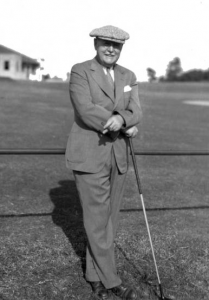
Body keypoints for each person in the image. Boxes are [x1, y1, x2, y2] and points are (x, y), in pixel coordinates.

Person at [65, 25, 142, 300]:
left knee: (108, 221)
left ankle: (94, 277)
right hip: (90, 154)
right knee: (97, 220)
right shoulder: (80, 71)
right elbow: (86, 111)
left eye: (117, 45)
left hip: (118, 156)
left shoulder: (128, 75)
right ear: (96, 44)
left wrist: (124, 118)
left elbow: (136, 109)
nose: (111, 49)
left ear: (122, 48)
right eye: (106, 43)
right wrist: (123, 124)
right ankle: (111, 281)